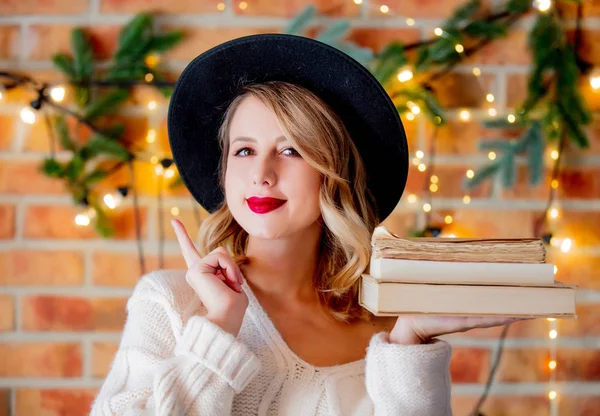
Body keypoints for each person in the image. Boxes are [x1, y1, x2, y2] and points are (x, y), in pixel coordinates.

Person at [90, 34, 526, 415]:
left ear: (332, 172)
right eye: (244, 150)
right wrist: (220, 324)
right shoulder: (172, 303)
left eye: (292, 150)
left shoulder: (387, 320)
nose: (262, 172)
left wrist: (409, 343)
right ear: (223, 170)